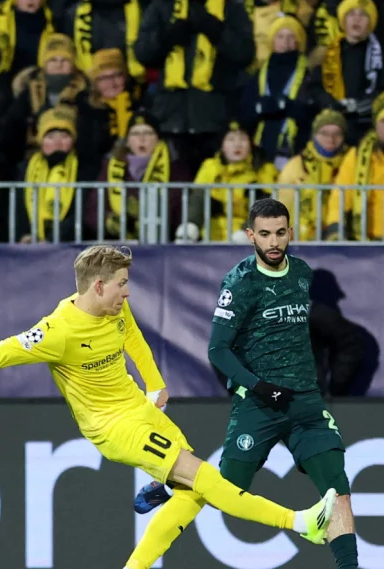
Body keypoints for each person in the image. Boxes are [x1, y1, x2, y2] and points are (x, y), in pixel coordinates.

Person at [0, 244, 338, 569]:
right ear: (98, 286)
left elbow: (134, 340)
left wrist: (155, 384)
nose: (127, 292)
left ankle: (144, 543)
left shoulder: (115, 311)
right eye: (122, 284)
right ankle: (301, 522)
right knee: (203, 477)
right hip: (112, 427)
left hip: (139, 409)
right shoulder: (57, 332)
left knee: (192, 492)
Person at [131, 199, 359, 569]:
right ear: (251, 235)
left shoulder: (302, 273)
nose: (274, 242)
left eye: (280, 233)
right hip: (259, 405)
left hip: (305, 405)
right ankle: (170, 486)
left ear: (290, 232)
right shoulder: (240, 283)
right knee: (221, 490)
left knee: (338, 492)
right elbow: (217, 350)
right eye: (265, 234)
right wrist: (259, 387)